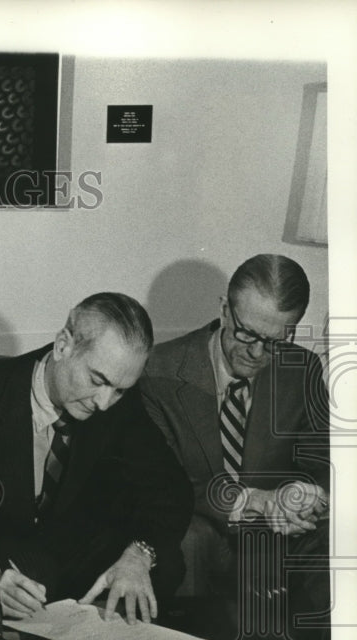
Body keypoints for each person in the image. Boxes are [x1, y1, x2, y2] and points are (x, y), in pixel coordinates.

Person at [0, 292, 192, 624]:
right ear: (63, 345)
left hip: (71, 557)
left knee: (167, 562)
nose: (104, 403)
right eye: (97, 380)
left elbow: (172, 489)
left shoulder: (119, 400)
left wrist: (139, 555)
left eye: (120, 389)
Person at [140, 254, 329, 610]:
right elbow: (160, 485)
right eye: (246, 333)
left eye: (275, 340)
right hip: (202, 530)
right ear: (225, 310)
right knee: (187, 538)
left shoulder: (303, 370)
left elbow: (327, 464)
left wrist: (306, 492)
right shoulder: (158, 371)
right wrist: (254, 500)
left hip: (280, 538)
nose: (257, 352)